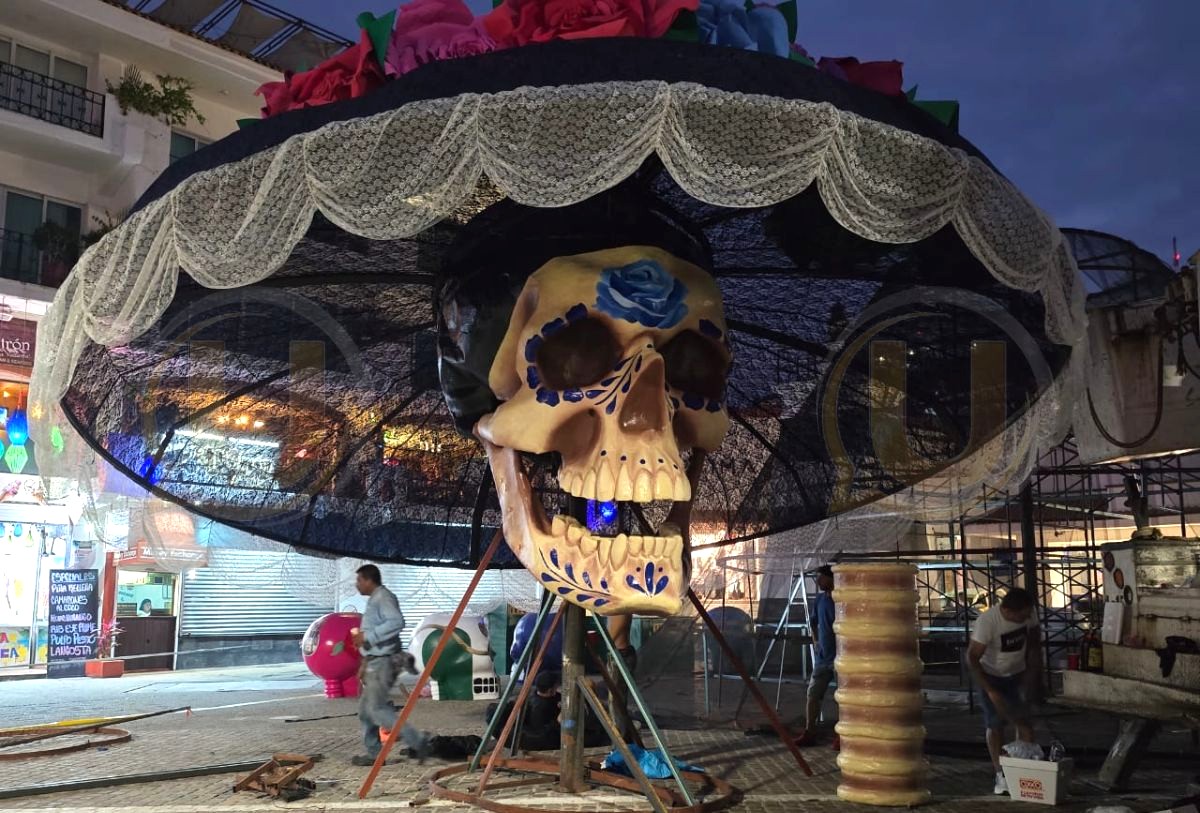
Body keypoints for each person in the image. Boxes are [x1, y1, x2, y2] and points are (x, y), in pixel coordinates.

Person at [349, 564, 429, 766]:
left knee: (377, 710)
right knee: (366, 711)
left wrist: (368, 636)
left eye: (359, 580)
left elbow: (396, 622)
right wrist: (363, 662)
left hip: (383, 662)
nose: (356, 584)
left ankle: (419, 742)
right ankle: (375, 753)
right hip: (374, 661)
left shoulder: (383, 598)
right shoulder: (374, 599)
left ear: (369, 580)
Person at [967, 586, 1042, 796]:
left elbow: (1035, 643)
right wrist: (990, 691)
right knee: (996, 723)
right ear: (1008, 611)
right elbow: (972, 658)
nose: (1027, 618)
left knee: (1024, 721)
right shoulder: (988, 622)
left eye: (1029, 614)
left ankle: (1024, 770)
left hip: (1017, 673)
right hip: (991, 675)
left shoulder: (1029, 613)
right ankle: (1001, 774)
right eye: (1022, 616)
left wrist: (1032, 675)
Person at [796, 564, 837, 748]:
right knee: (813, 694)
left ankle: (843, 735)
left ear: (831, 578)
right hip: (823, 657)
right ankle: (810, 731)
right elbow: (812, 622)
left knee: (843, 697)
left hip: (840, 657)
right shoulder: (820, 600)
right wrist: (816, 641)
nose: (818, 581)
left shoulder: (840, 600)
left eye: (822, 577)